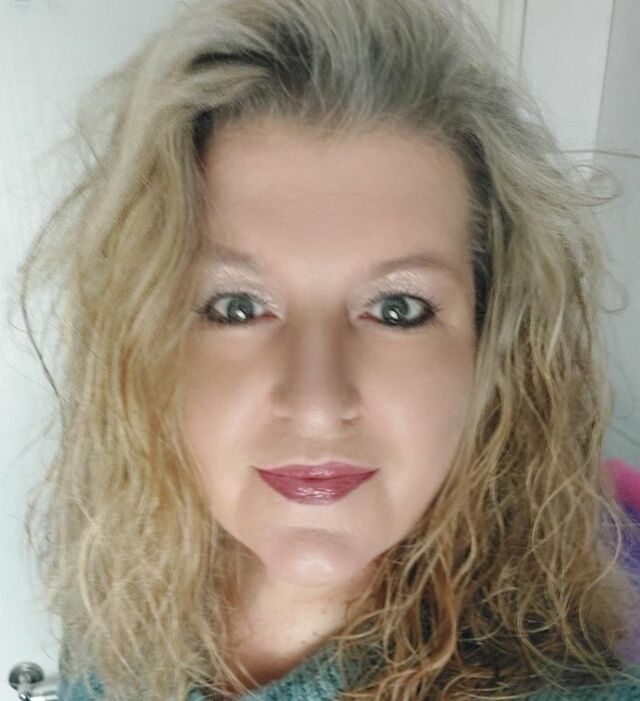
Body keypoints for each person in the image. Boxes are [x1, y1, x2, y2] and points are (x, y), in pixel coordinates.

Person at [15, 0, 640, 699]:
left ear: (491, 349)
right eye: (236, 306)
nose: (316, 405)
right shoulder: (116, 608)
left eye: (398, 309)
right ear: (145, 341)